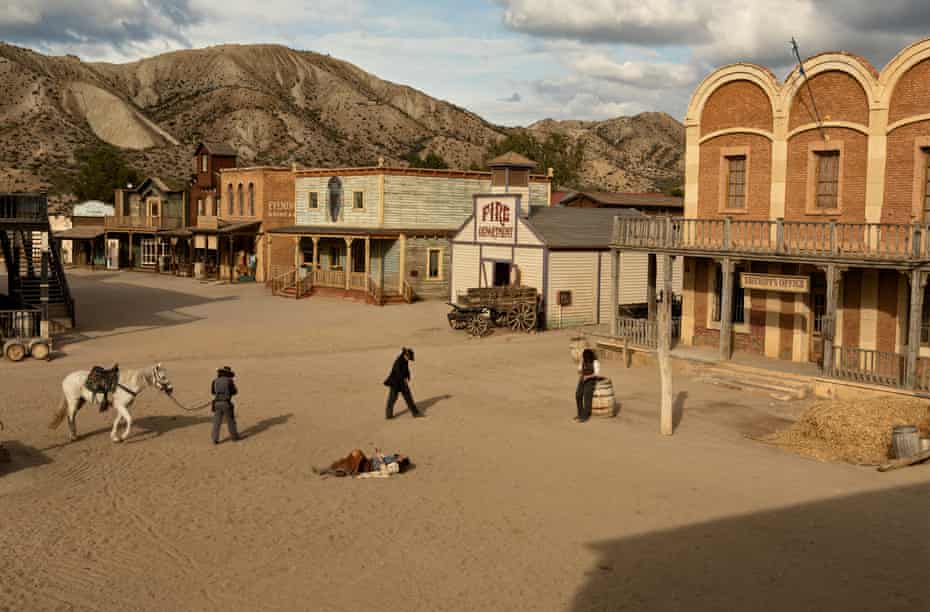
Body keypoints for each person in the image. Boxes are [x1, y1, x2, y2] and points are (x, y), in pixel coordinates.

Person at [384, 347, 422, 419]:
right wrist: (404, 379)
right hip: (395, 383)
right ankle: (388, 415)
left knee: (408, 398)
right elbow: (398, 372)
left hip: (402, 382)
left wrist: (408, 376)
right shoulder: (398, 361)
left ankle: (415, 413)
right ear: (405, 355)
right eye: (409, 357)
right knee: (392, 399)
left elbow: (406, 369)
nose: (409, 359)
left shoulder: (405, 360)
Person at [211, 366, 240, 444]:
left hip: (217, 403)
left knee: (216, 422)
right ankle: (234, 437)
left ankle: (215, 439)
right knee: (230, 421)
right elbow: (234, 392)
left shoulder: (215, 381)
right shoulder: (229, 381)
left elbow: (213, 392)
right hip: (226, 403)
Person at [575, 349, 600, 423]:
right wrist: (580, 373)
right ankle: (580, 413)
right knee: (578, 395)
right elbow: (579, 370)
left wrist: (588, 377)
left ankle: (585, 416)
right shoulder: (583, 361)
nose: (585, 359)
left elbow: (596, 374)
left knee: (587, 397)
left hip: (591, 380)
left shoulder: (595, 362)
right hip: (582, 379)